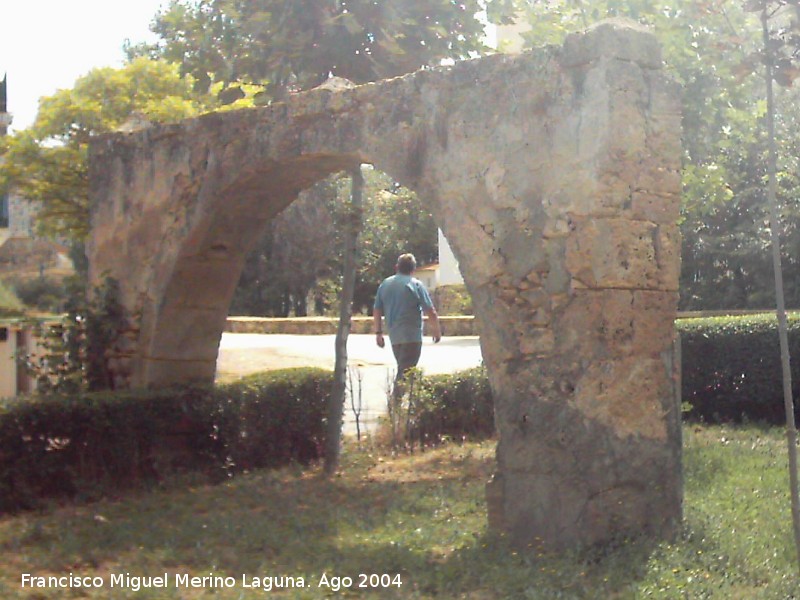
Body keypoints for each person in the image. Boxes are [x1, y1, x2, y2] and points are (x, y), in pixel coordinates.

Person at [373, 253, 442, 380]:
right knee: (406, 374)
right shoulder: (415, 285)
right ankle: (396, 399)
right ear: (413, 269)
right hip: (412, 336)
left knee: (405, 369)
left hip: (395, 336)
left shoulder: (385, 284)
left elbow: (377, 310)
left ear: (396, 267)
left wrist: (378, 333)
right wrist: (436, 331)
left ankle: (407, 399)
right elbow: (430, 311)